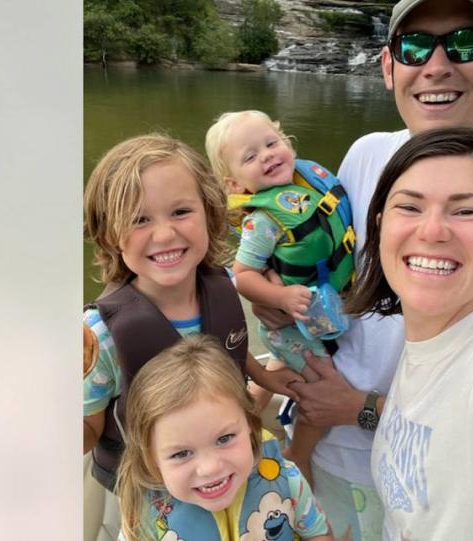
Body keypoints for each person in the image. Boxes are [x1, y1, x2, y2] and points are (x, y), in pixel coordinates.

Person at [250, 1, 473, 539]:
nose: (438, 64)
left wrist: (358, 408)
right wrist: (277, 296)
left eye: (467, 44)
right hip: (325, 442)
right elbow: (331, 264)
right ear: (388, 67)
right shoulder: (365, 154)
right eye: (414, 47)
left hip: (417, 471)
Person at [82, 134, 303, 540]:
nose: (164, 235)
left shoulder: (223, 288)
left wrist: (268, 378)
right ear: (111, 233)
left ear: (210, 212)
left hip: (224, 477)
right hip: (144, 500)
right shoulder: (102, 335)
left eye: (181, 211)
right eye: (139, 219)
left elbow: (231, 351)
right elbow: (89, 425)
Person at [344, 127, 473, 540]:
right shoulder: (431, 344)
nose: (432, 230)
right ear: (379, 226)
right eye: (410, 207)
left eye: (467, 211)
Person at [205, 111, 356, 484]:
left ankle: (239, 424)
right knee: (318, 387)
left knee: (274, 367)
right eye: (251, 156)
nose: (268, 155)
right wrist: (281, 296)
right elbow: (243, 277)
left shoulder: (309, 182)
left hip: (309, 311)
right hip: (294, 320)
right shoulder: (264, 221)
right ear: (233, 182)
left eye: (272, 143)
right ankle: (298, 454)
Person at [115, 335, 333, 541]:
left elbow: (318, 533)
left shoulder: (288, 480)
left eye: (224, 439)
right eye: (181, 453)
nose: (210, 468)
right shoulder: (143, 515)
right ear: (151, 457)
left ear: (249, 423)